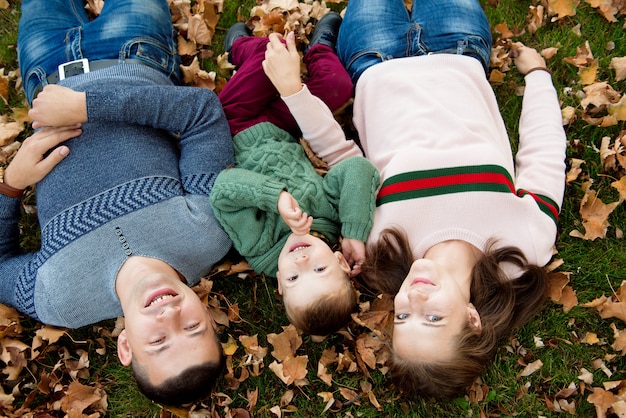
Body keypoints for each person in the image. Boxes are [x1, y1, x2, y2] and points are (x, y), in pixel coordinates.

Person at [1, 0, 234, 405]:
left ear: (126, 347)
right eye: (193, 328)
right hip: (133, 49)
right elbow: (201, 115)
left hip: (44, 70)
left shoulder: (59, 299)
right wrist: (87, 107)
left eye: (159, 341)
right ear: (211, 317)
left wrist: (11, 185)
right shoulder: (207, 233)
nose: (171, 317)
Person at [336, 0, 567, 400]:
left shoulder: (381, 249)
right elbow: (544, 152)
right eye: (434, 317)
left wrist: (349, 224)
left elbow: (348, 163)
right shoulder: (524, 245)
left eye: (405, 316)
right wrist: (538, 77)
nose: (414, 297)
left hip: (371, 59)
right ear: (473, 319)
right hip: (458, 47)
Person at [210, 13, 380, 337]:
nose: (301, 263)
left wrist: (275, 197)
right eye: (319, 269)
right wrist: (355, 230)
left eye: (293, 279)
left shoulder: (262, 249)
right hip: (283, 128)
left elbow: (223, 193)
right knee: (337, 85)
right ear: (342, 263)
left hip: (234, 125)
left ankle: (238, 48)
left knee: (266, 52)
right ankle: (319, 47)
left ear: (279, 287)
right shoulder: (331, 223)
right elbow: (357, 169)